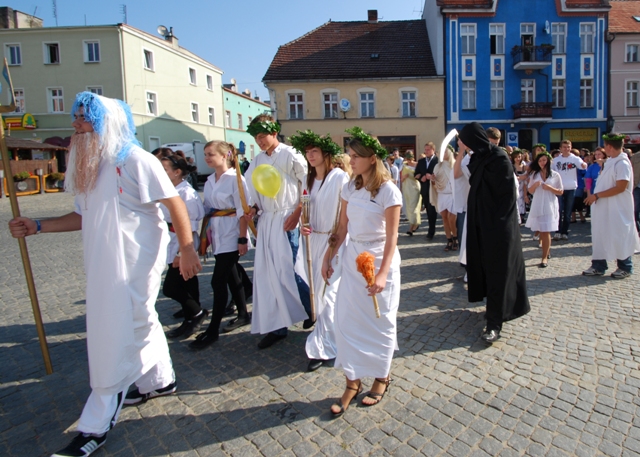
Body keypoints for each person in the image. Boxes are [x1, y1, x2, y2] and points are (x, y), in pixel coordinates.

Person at [8, 92, 202, 457]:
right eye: (77, 116)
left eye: (84, 118)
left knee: (116, 329)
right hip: (103, 259)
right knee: (140, 318)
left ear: (105, 122)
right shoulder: (89, 163)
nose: (76, 124)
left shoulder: (135, 159)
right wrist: (38, 225)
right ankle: (160, 381)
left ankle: (95, 425)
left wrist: (188, 249)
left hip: (136, 258)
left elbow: (174, 201)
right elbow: (84, 216)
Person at [322, 126, 401, 416]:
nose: (350, 160)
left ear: (372, 158)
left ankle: (382, 376)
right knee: (347, 320)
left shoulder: (388, 191)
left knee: (381, 321)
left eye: (356, 156)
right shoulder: (349, 187)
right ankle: (352, 381)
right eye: (350, 155)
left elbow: (392, 237)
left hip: (380, 258)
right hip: (352, 258)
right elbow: (342, 227)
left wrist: (382, 273)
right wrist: (328, 257)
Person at [457, 122, 530, 344]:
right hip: (480, 222)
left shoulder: (498, 158)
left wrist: (496, 223)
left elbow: (507, 195)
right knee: (485, 268)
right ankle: (493, 307)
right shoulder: (478, 158)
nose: (464, 145)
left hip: (498, 225)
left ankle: (494, 323)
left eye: (465, 141)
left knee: (499, 270)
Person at [244, 114, 312, 349]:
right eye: (256, 137)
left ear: (274, 133)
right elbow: (256, 190)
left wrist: (298, 212)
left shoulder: (291, 154)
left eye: (263, 136)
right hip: (267, 221)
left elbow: (308, 186)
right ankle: (277, 325)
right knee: (267, 274)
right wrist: (254, 208)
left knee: (288, 270)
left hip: (287, 218)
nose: (259, 141)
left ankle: (312, 309)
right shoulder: (257, 160)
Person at [288, 130, 349, 372]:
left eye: (314, 151)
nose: (310, 156)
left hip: (333, 242)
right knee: (317, 294)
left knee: (329, 295)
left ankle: (324, 347)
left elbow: (344, 216)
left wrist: (333, 246)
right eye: (307, 152)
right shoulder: (307, 180)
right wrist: (304, 226)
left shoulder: (340, 177)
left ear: (326, 154)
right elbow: (306, 212)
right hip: (312, 241)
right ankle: (328, 339)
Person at [190, 141, 253, 349]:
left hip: (232, 234)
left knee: (218, 282)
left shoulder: (236, 179)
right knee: (232, 276)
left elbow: (243, 211)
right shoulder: (210, 181)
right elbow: (208, 208)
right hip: (216, 234)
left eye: (211, 154)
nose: (207, 158)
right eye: (205, 154)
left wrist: (242, 238)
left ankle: (213, 329)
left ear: (225, 155)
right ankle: (243, 313)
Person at [159, 154, 207, 339]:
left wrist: (182, 252)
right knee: (188, 283)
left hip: (183, 243)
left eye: (164, 170)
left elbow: (191, 224)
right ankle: (189, 318)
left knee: (171, 287)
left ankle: (197, 313)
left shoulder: (186, 193)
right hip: (172, 239)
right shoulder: (169, 190)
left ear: (177, 172)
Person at [582, 134, 640, 278]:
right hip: (604, 207)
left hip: (617, 207)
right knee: (601, 234)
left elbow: (621, 187)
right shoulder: (611, 161)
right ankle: (599, 265)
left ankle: (625, 266)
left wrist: (597, 195)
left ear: (608, 146)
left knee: (619, 234)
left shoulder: (622, 164)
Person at [525, 152, 563, 267]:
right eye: (540, 161)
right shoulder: (534, 175)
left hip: (549, 204)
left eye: (544, 160)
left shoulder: (555, 175)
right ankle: (547, 250)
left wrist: (550, 188)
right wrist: (535, 185)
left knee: (546, 231)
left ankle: (544, 257)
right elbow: (530, 190)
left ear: (549, 161)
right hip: (538, 204)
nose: (542, 163)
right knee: (542, 230)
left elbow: (560, 191)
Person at [553, 140, 587, 240]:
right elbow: (551, 172)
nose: (566, 149)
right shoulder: (556, 160)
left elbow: (582, 165)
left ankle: (565, 232)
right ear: (560, 148)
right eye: (564, 147)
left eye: (568, 147)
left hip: (571, 187)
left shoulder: (574, 158)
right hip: (559, 188)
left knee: (568, 212)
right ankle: (558, 231)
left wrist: (584, 165)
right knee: (559, 210)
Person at [431, 146, 457, 251]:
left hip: (452, 195)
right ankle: (449, 240)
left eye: (445, 152)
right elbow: (434, 184)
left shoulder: (455, 164)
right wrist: (433, 180)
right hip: (441, 194)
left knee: (451, 218)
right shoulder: (437, 166)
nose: (443, 153)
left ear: (450, 152)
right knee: (445, 218)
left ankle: (455, 237)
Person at [453, 142, 472, 283]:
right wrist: (461, 152)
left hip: (482, 204)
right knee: (466, 238)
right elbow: (456, 174)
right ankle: (468, 268)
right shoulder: (467, 159)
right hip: (466, 205)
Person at [414, 142, 438, 240]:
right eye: (425, 149)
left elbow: (441, 175)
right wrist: (421, 178)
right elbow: (416, 174)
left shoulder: (438, 160)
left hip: (436, 189)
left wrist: (431, 177)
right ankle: (431, 230)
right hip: (425, 190)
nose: (426, 151)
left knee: (436, 211)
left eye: (428, 149)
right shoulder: (421, 161)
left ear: (433, 150)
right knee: (429, 211)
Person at [401, 150, 421, 235]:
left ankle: (411, 227)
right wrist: (404, 177)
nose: (409, 161)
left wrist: (417, 176)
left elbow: (420, 175)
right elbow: (401, 179)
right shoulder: (404, 166)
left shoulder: (417, 165)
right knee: (409, 207)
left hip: (415, 187)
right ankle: (415, 223)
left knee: (414, 207)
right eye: (407, 159)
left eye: (410, 159)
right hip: (407, 188)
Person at [511, 150, 529, 223]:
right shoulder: (511, 166)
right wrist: (520, 177)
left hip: (522, 187)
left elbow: (527, 178)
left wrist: (525, 195)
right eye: (516, 157)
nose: (518, 159)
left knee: (521, 203)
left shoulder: (525, 167)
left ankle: (521, 218)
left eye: (519, 157)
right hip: (514, 187)